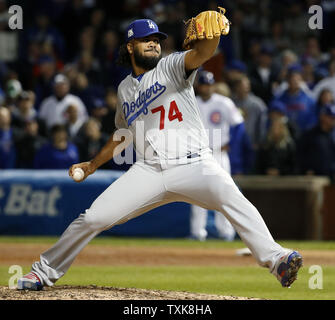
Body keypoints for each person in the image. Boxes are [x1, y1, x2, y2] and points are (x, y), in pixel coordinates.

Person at [18, 12, 302, 291]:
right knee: (93, 218)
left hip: (196, 165)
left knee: (233, 198)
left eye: (157, 39)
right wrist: (92, 165)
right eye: (146, 40)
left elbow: (202, 52)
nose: (154, 43)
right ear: (130, 46)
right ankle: (42, 272)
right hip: (149, 170)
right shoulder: (124, 90)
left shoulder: (172, 66)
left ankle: (276, 259)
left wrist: (212, 36)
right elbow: (122, 135)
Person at [190, 70, 244, 241]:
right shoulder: (191, 102)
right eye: (204, 84)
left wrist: (232, 145)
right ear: (199, 86)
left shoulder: (224, 102)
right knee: (197, 193)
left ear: (213, 85)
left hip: (219, 153)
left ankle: (226, 232)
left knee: (224, 192)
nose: (207, 87)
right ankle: (197, 232)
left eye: (209, 84)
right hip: (198, 153)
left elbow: (239, 126)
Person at [297, 104, 335, 182]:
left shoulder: (333, 135)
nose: (333, 120)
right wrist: (305, 169)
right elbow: (300, 154)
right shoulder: (309, 135)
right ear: (322, 117)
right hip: (314, 178)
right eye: (331, 117)